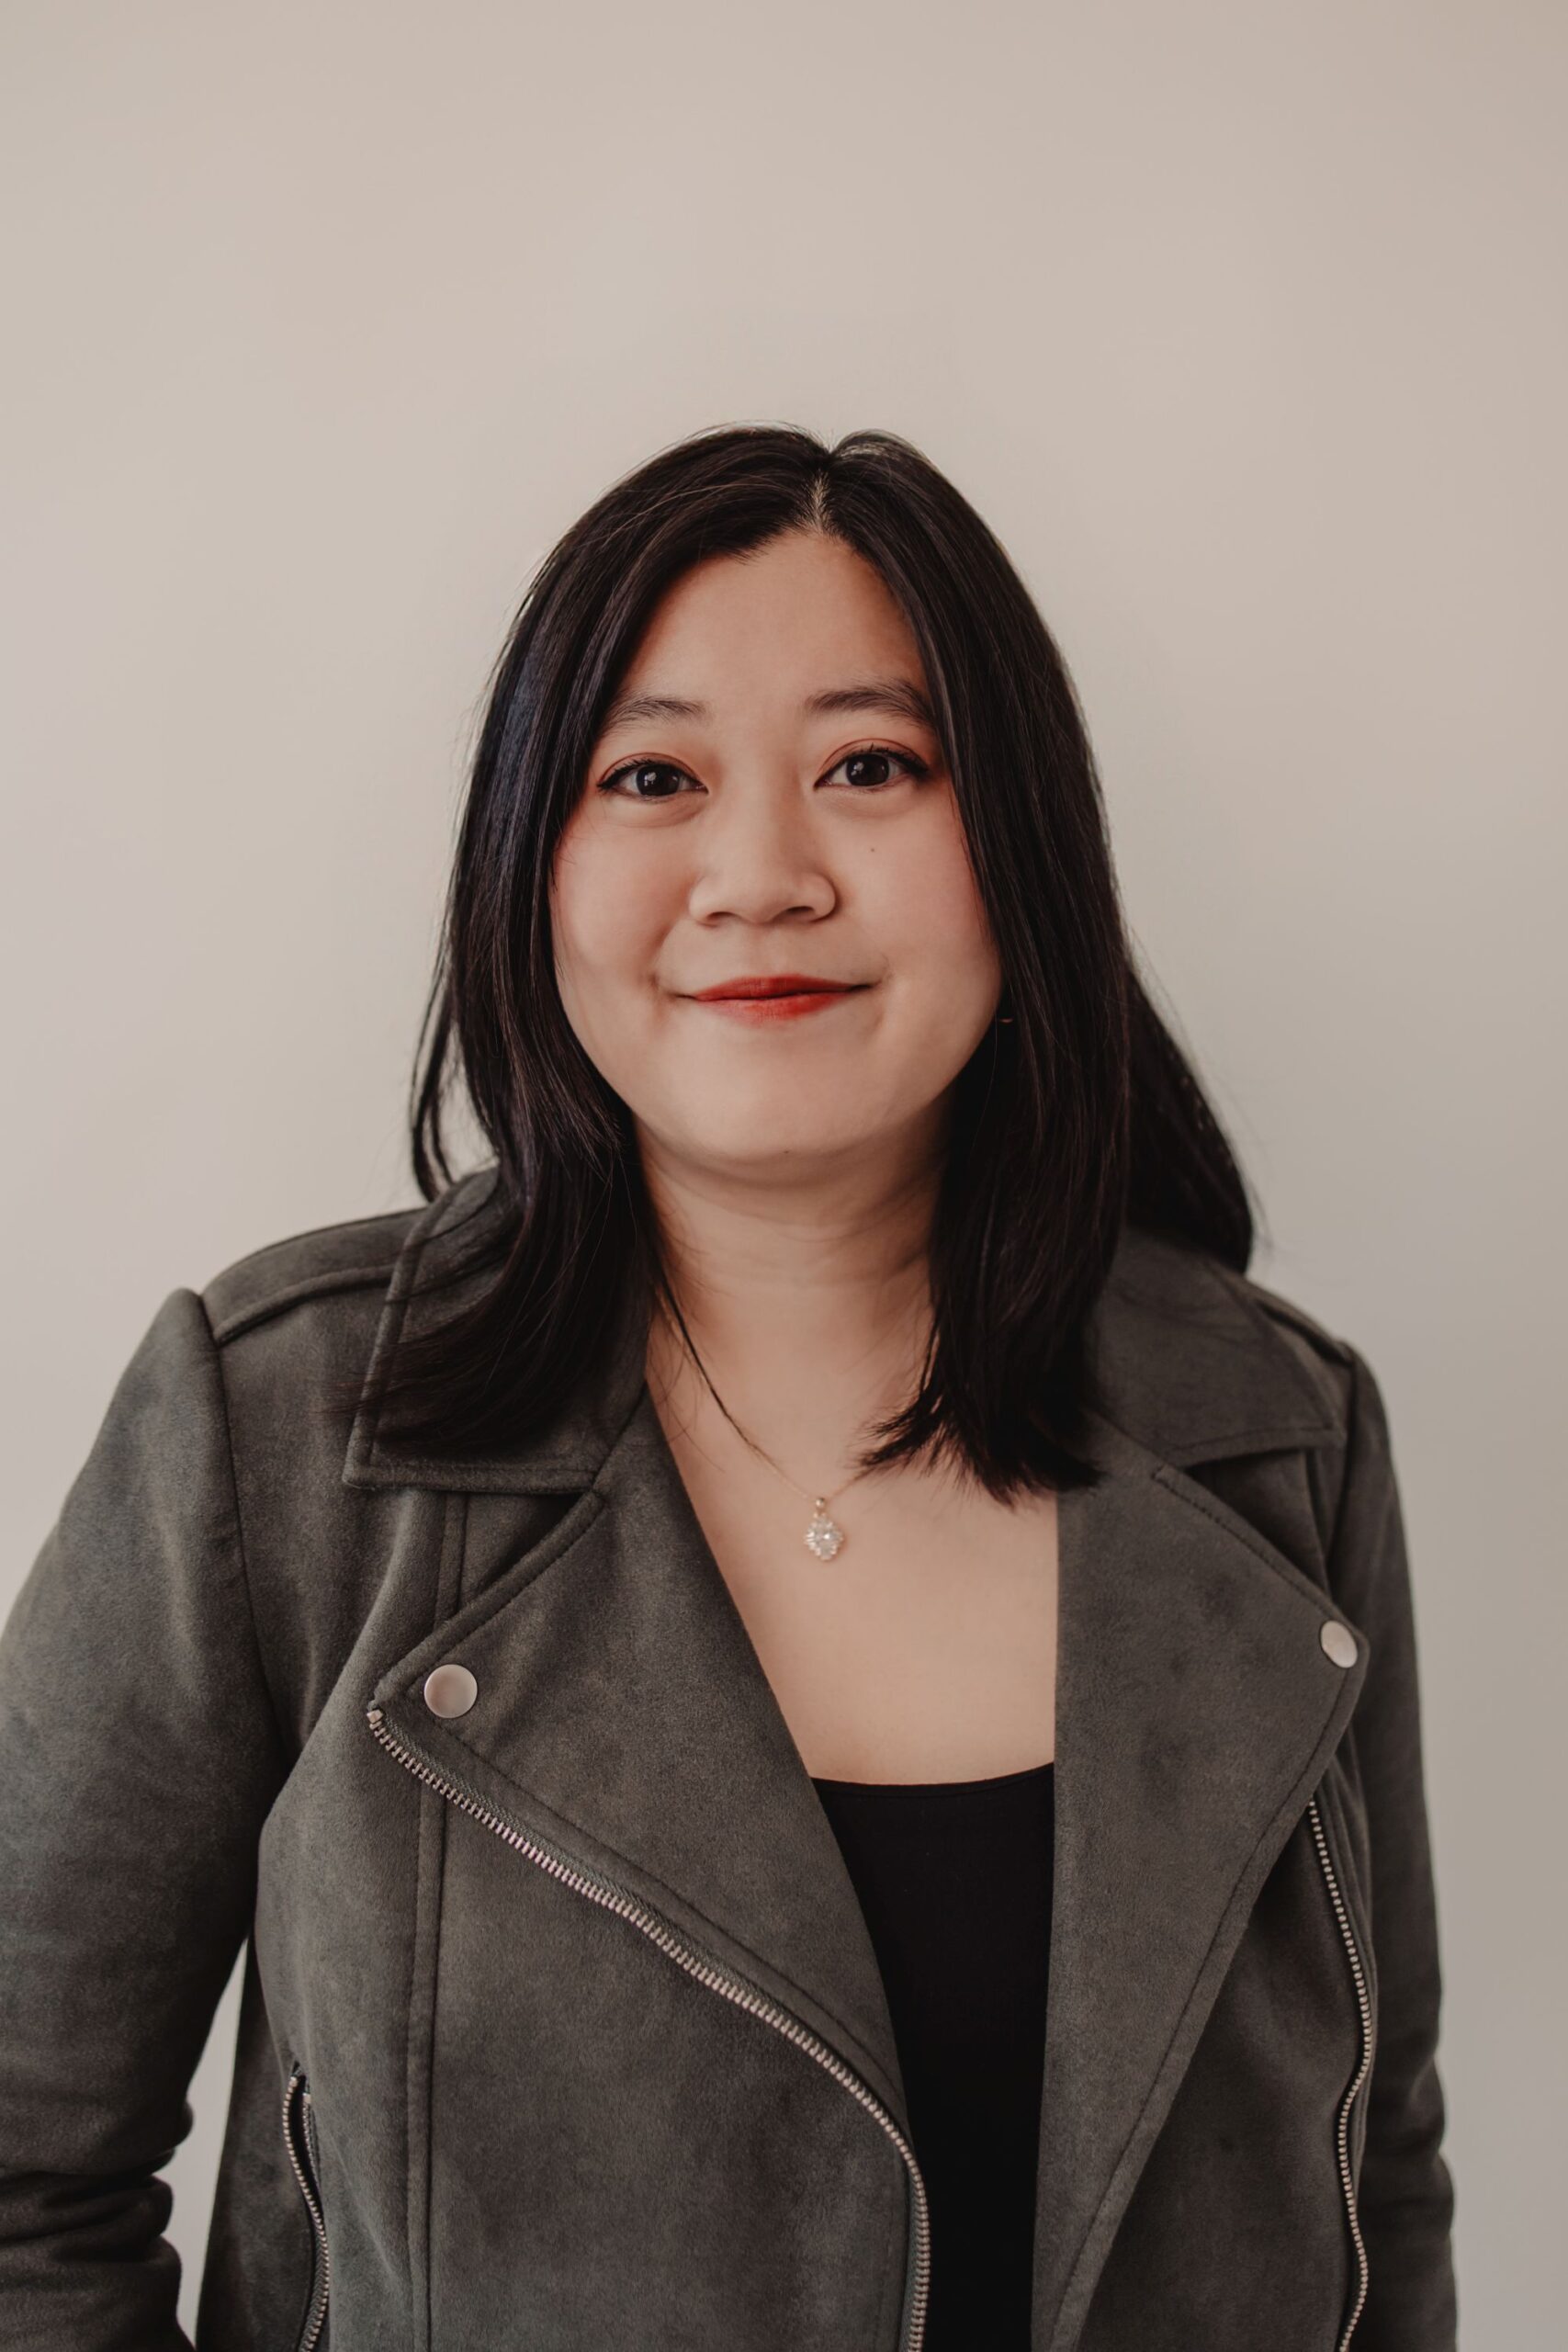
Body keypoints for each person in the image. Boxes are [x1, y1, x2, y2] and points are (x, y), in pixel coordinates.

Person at [0, 424, 1456, 2351]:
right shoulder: (275, 1431)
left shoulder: (1277, 1432)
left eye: (871, 765)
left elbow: (1374, 2178)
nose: (759, 876)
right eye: (651, 776)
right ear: (531, 863)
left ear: (1017, 843)